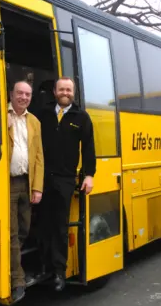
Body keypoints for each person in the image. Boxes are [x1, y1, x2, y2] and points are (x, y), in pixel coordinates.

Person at [0, 80, 44, 303]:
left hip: (27, 182)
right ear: (11, 94)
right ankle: (17, 280)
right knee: (12, 233)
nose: (23, 97)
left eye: (27, 94)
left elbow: (39, 157)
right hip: (7, 183)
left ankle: (7, 263)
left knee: (24, 229)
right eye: (20, 93)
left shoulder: (34, 121)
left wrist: (37, 187)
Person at [35, 76, 96, 292]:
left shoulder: (81, 117)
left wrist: (89, 175)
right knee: (42, 224)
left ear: (74, 92)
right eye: (61, 89)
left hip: (65, 179)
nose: (65, 93)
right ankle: (44, 267)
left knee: (60, 226)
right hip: (41, 178)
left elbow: (88, 147)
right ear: (54, 91)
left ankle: (59, 272)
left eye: (69, 90)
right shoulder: (42, 113)